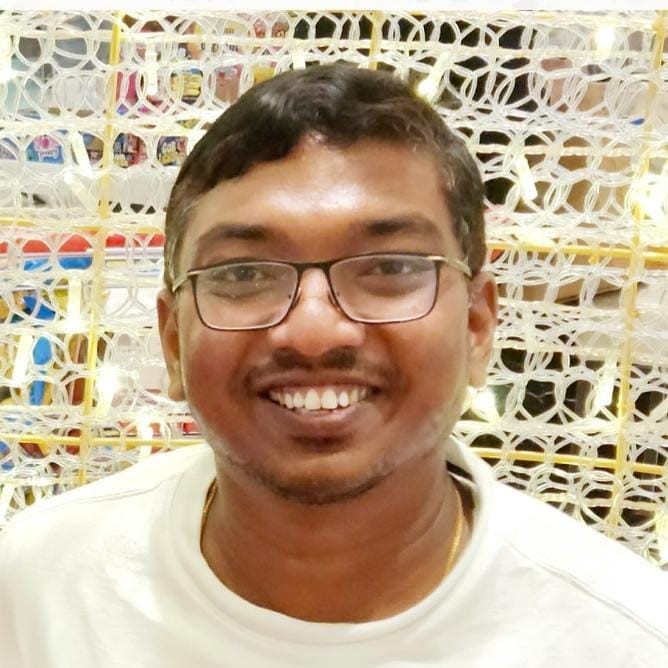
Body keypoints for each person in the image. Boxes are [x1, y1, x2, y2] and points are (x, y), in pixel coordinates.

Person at [0, 63, 666, 667]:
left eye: (390, 267)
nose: (314, 332)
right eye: (244, 273)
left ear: (476, 324)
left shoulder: (625, 638)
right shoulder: (39, 595)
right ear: (173, 340)